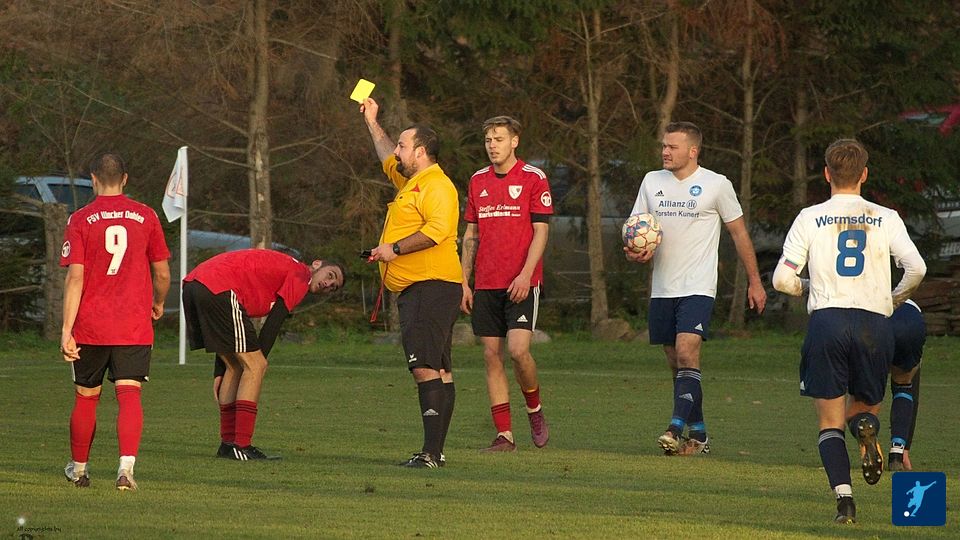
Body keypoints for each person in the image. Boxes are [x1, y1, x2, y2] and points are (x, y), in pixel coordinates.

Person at [772, 138, 926, 524]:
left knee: (829, 422)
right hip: (875, 322)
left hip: (828, 321)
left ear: (826, 174)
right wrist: (893, 298)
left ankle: (845, 502)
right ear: (864, 175)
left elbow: (781, 280)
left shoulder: (810, 217)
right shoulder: (886, 217)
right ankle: (866, 427)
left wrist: (809, 288)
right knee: (861, 409)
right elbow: (917, 268)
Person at [625, 121, 766, 456]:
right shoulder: (651, 181)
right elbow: (636, 229)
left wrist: (755, 281)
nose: (665, 152)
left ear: (692, 151)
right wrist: (634, 252)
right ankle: (699, 434)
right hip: (663, 287)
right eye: (663, 146)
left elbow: (739, 234)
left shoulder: (716, 184)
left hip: (698, 285)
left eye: (672, 147)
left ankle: (674, 429)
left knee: (687, 352)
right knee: (677, 362)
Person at [359, 96, 463, 469]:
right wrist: (372, 121)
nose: (397, 151)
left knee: (424, 368)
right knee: (440, 370)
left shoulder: (438, 185)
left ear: (420, 152)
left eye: (403, 146)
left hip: (429, 286)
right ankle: (435, 451)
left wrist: (395, 248)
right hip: (426, 288)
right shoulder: (413, 182)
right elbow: (386, 157)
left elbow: (437, 231)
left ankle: (430, 453)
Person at [60, 153, 171, 491]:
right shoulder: (146, 215)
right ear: (125, 179)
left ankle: (80, 470)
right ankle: (125, 470)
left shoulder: (80, 218)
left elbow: (75, 277)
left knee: (86, 397)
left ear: (93, 179)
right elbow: (162, 272)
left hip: (91, 325)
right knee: (129, 395)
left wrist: (66, 329)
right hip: (133, 324)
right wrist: (159, 302)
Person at [182, 249, 344, 460]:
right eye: (330, 275)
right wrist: (256, 364)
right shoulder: (301, 275)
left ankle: (228, 445)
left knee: (235, 367)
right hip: (217, 286)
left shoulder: (286, 270)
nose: (328, 284)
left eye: (333, 287)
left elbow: (233, 335)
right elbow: (274, 322)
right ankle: (242, 445)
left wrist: (220, 371)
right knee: (256, 366)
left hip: (196, 285)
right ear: (317, 264)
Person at [460, 115, 553, 452]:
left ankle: (534, 410)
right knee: (491, 355)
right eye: (488, 140)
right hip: (486, 282)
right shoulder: (478, 180)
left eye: (499, 139)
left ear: (514, 141)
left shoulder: (533, 178)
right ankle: (505, 436)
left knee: (518, 351)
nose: (492, 146)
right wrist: (463, 281)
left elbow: (541, 231)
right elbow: (471, 234)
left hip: (521, 282)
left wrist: (526, 275)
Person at [888, 299, 925, 471]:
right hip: (912, 316)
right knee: (905, 386)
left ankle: (865, 447)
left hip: (874, 315)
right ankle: (899, 451)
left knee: (864, 392)